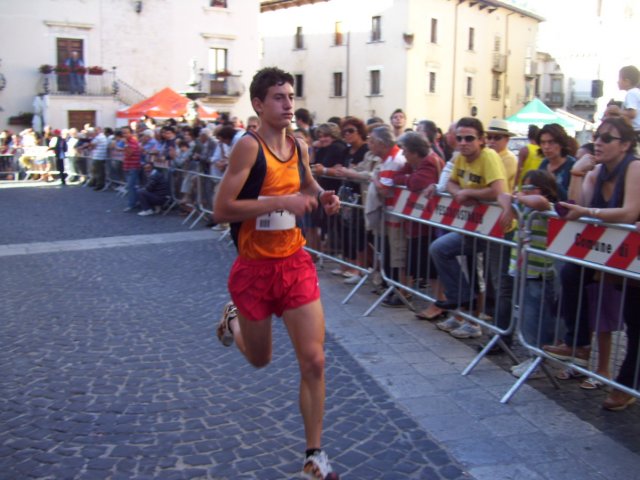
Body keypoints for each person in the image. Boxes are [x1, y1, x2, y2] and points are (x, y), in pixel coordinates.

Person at [213, 67, 341, 479]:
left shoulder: (299, 145)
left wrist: (323, 195)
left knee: (315, 360)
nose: (288, 104)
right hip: (254, 269)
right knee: (260, 359)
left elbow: (307, 183)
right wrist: (279, 202)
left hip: (294, 262)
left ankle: (315, 456)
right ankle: (232, 319)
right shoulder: (247, 148)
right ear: (258, 104)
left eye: (290, 96)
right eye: (278, 97)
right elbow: (221, 209)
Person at [544, 116, 640, 411]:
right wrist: (576, 173)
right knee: (571, 272)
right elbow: (575, 208)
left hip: (634, 259)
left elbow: (629, 212)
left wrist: (589, 212)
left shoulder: (635, 168)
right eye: (597, 137)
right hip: (612, 255)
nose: (598, 142)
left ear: (625, 145)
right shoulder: (597, 172)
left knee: (635, 323)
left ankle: (626, 386)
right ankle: (579, 343)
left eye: (606, 138)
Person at [430, 117, 510, 339]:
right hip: (472, 225)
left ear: (481, 140)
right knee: (440, 249)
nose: (463, 143)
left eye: (469, 138)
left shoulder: (489, 156)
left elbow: (498, 190)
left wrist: (469, 193)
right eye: (459, 138)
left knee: (498, 282)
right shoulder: (459, 157)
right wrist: (459, 193)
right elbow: (451, 182)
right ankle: (463, 301)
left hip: (498, 228)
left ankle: (500, 336)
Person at [536, 123, 575, 201]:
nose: (546, 147)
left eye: (551, 142)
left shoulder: (572, 165)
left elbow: (572, 199)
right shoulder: (544, 164)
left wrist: (553, 182)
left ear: (561, 143)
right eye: (543, 142)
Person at [122, 126, 142, 212]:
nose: (124, 135)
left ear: (131, 133)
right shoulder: (128, 142)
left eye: (126, 133)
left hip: (133, 167)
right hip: (128, 166)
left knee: (131, 186)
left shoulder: (132, 142)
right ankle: (135, 202)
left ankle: (132, 204)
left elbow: (130, 153)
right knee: (132, 186)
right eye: (123, 133)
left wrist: (126, 145)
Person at [618, 65, 640, 140]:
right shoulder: (636, 92)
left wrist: (617, 111)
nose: (617, 82)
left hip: (635, 132)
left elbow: (632, 113)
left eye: (619, 79)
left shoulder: (631, 93)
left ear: (627, 81)